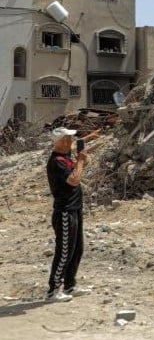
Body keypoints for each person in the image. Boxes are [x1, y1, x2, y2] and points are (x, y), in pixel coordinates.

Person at [45, 126, 100, 302]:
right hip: (65, 212)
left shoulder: (65, 155)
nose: (71, 141)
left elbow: (78, 148)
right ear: (60, 142)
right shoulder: (57, 162)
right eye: (68, 139)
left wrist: (89, 139)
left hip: (75, 208)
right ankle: (53, 291)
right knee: (65, 251)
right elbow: (74, 180)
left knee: (77, 249)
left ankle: (70, 285)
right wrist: (82, 162)